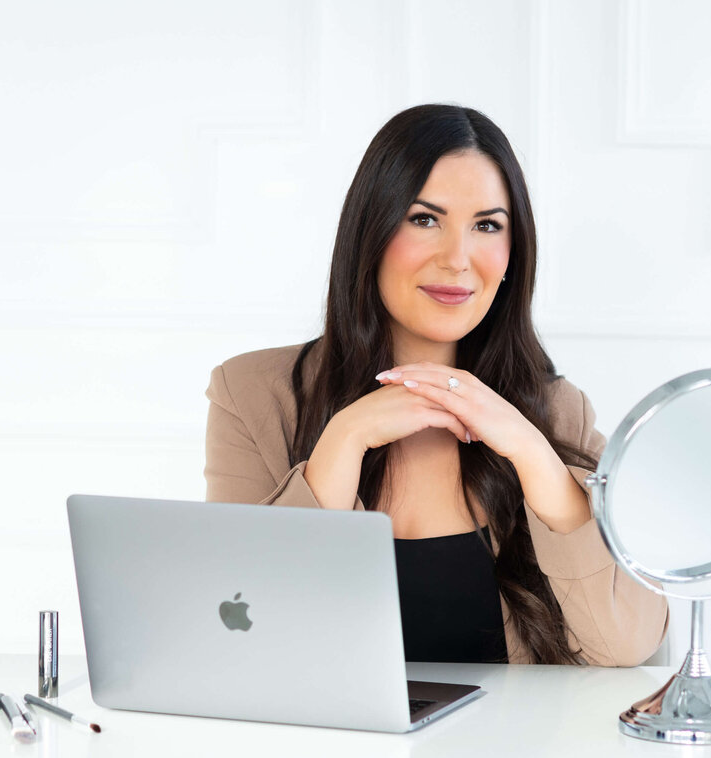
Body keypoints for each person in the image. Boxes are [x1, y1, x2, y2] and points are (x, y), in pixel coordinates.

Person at [203, 104, 667, 666]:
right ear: (371, 229)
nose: (457, 259)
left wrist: (531, 453)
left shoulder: (557, 411)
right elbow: (240, 648)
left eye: (487, 226)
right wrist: (344, 441)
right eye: (425, 219)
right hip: (324, 754)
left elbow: (626, 649)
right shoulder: (252, 394)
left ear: (512, 254)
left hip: (516, 754)